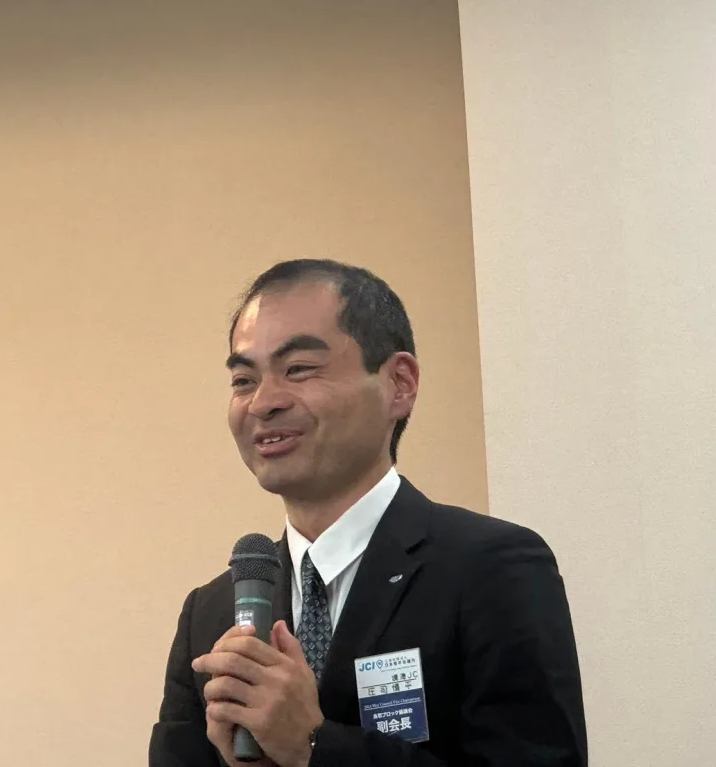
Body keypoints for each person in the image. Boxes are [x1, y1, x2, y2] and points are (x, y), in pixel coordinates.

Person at [148, 259, 587, 766]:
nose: (262, 403)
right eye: (244, 380)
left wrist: (313, 746)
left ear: (399, 384)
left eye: (298, 369)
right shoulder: (212, 610)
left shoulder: (492, 568)